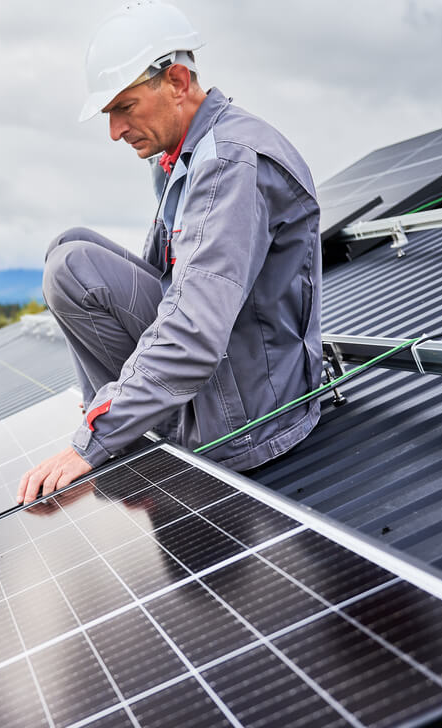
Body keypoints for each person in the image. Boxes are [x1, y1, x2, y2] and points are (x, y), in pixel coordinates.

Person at [18, 0, 322, 504]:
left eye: (123, 107)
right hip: (230, 378)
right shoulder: (180, 159)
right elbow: (166, 282)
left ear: (178, 82)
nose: (114, 131)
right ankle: (128, 426)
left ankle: (128, 433)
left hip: (249, 419)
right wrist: (109, 412)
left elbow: (194, 327)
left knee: (70, 269)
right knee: (69, 248)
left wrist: (93, 441)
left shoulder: (230, 164)